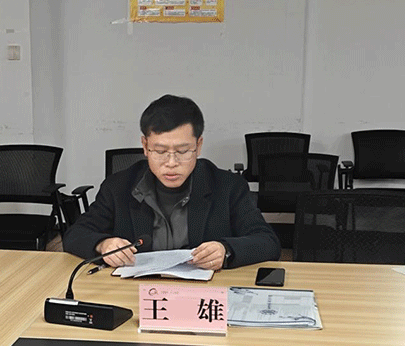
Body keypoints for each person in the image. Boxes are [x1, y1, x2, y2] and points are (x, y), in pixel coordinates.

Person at [62, 94, 281, 270]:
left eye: (183, 151)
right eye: (160, 151)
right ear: (145, 146)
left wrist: (226, 250)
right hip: (136, 294)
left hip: (203, 294)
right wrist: (103, 245)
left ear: (199, 145)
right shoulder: (118, 187)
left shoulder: (228, 187)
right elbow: (75, 234)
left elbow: (268, 242)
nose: (171, 163)